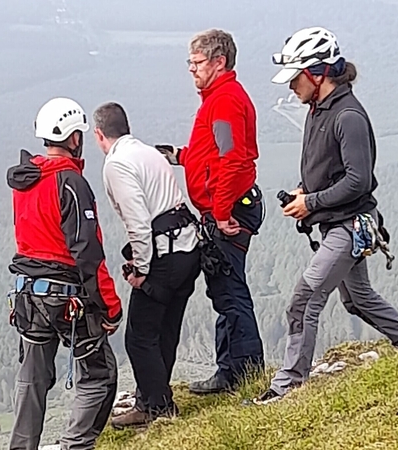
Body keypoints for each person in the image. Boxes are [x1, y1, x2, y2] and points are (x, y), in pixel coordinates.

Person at [254, 27, 398, 404]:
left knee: (304, 299)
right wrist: (304, 188)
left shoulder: (347, 116)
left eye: (296, 78)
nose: (291, 87)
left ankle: (287, 387)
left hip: (348, 226)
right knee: (358, 299)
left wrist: (311, 203)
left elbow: (358, 181)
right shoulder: (320, 109)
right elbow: (327, 166)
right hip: (340, 223)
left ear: (317, 73)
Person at [5, 97, 124, 449]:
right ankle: (75, 444)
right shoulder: (71, 183)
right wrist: (110, 306)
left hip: (27, 293)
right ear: (75, 138)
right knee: (99, 374)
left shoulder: (25, 182)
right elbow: (87, 251)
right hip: (66, 295)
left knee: (32, 379)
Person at [156, 29, 265, 394]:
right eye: (190, 62)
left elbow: (232, 158)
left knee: (231, 293)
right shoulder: (218, 98)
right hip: (225, 207)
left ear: (219, 62)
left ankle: (246, 373)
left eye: (197, 62)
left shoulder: (225, 102)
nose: (192, 69)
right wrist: (180, 158)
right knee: (223, 290)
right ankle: (229, 371)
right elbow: (214, 153)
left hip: (230, 211)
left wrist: (219, 213)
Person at [92, 102, 201, 427]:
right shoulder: (149, 153)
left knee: (139, 336)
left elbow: (139, 223)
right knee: (166, 329)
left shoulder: (117, 164)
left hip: (162, 256)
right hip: (188, 248)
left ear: (99, 134)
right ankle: (154, 397)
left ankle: (157, 407)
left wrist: (140, 269)